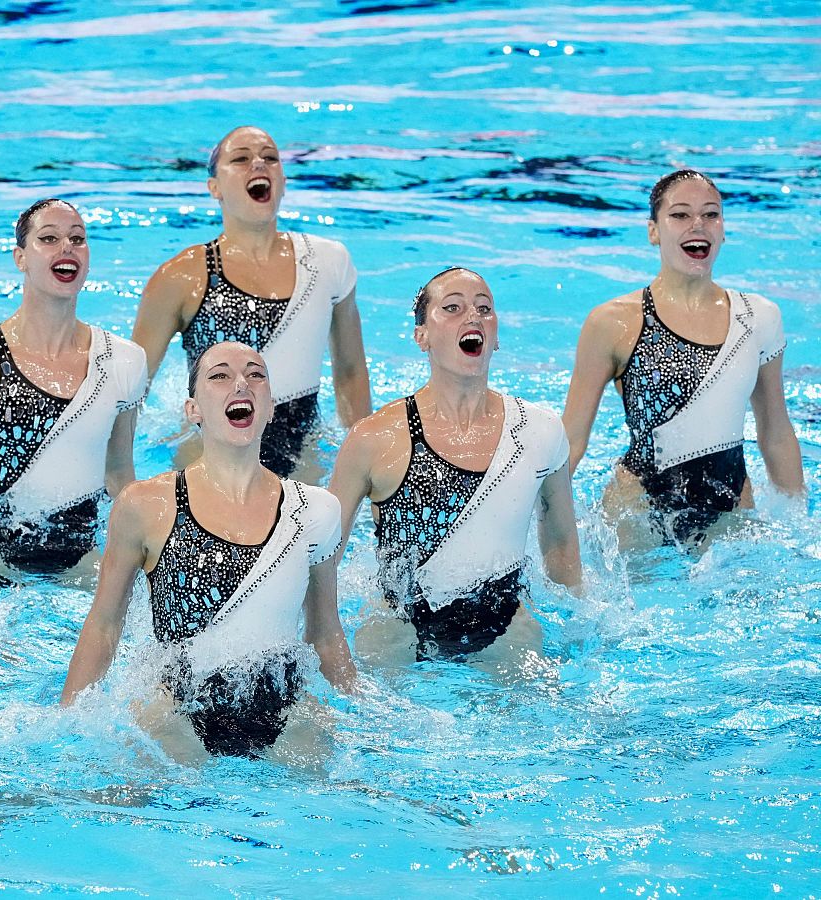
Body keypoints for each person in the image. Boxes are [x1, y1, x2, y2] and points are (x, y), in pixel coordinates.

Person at [61, 342, 356, 760]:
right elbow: (104, 624)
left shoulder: (315, 511)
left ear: (271, 407)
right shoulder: (148, 505)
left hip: (285, 713)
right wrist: (67, 728)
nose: (241, 384)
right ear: (193, 410)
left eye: (256, 375)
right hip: (176, 712)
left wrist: (362, 716)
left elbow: (325, 634)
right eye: (220, 376)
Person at [330, 268, 582, 663]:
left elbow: (562, 544)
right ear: (422, 336)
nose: (472, 317)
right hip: (399, 625)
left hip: (507, 624)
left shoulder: (539, 431)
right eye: (452, 308)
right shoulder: (374, 439)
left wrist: (576, 632)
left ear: (495, 336)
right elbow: (323, 557)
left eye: (484, 309)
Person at [562, 169, 804, 545]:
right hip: (639, 511)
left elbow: (775, 431)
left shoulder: (757, 318)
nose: (698, 224)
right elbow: (573, 439)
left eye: (711, 214)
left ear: (723, 229)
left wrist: (799, 527)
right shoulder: (613, 322)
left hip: (730, 509)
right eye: (680, 214)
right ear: (653, 231)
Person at [0, 199, 147, 575]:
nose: (67, 247)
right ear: (20, 258)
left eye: (77, 239)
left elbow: (119, 475)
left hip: (81, 558)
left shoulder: (122, 361)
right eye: (49, 238)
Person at [134, 125, 370, 480]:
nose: (259, 164)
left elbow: (350, 371)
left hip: (302, 450)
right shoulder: (181, 277)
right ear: (214, 187)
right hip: (207, 453)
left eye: (270, 158)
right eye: (241, 159)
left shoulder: (327, 262)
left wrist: (364, 460)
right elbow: (134, 387)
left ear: (283, 181)